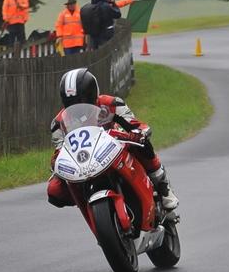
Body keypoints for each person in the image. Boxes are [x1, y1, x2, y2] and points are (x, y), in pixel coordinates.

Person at [46, 68, 178, 211]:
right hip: (83, 161)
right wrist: (56, 161)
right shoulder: (58, 124)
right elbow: (60, 150)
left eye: (82, 100)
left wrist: (139, 132)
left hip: (115, 146)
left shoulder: (112, 104)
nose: (78, 105)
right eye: (71, 102)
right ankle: (88, 201)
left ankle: (163, 186)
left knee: (142, 144)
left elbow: (133, 124)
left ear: (92, 94)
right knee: (54, 191)